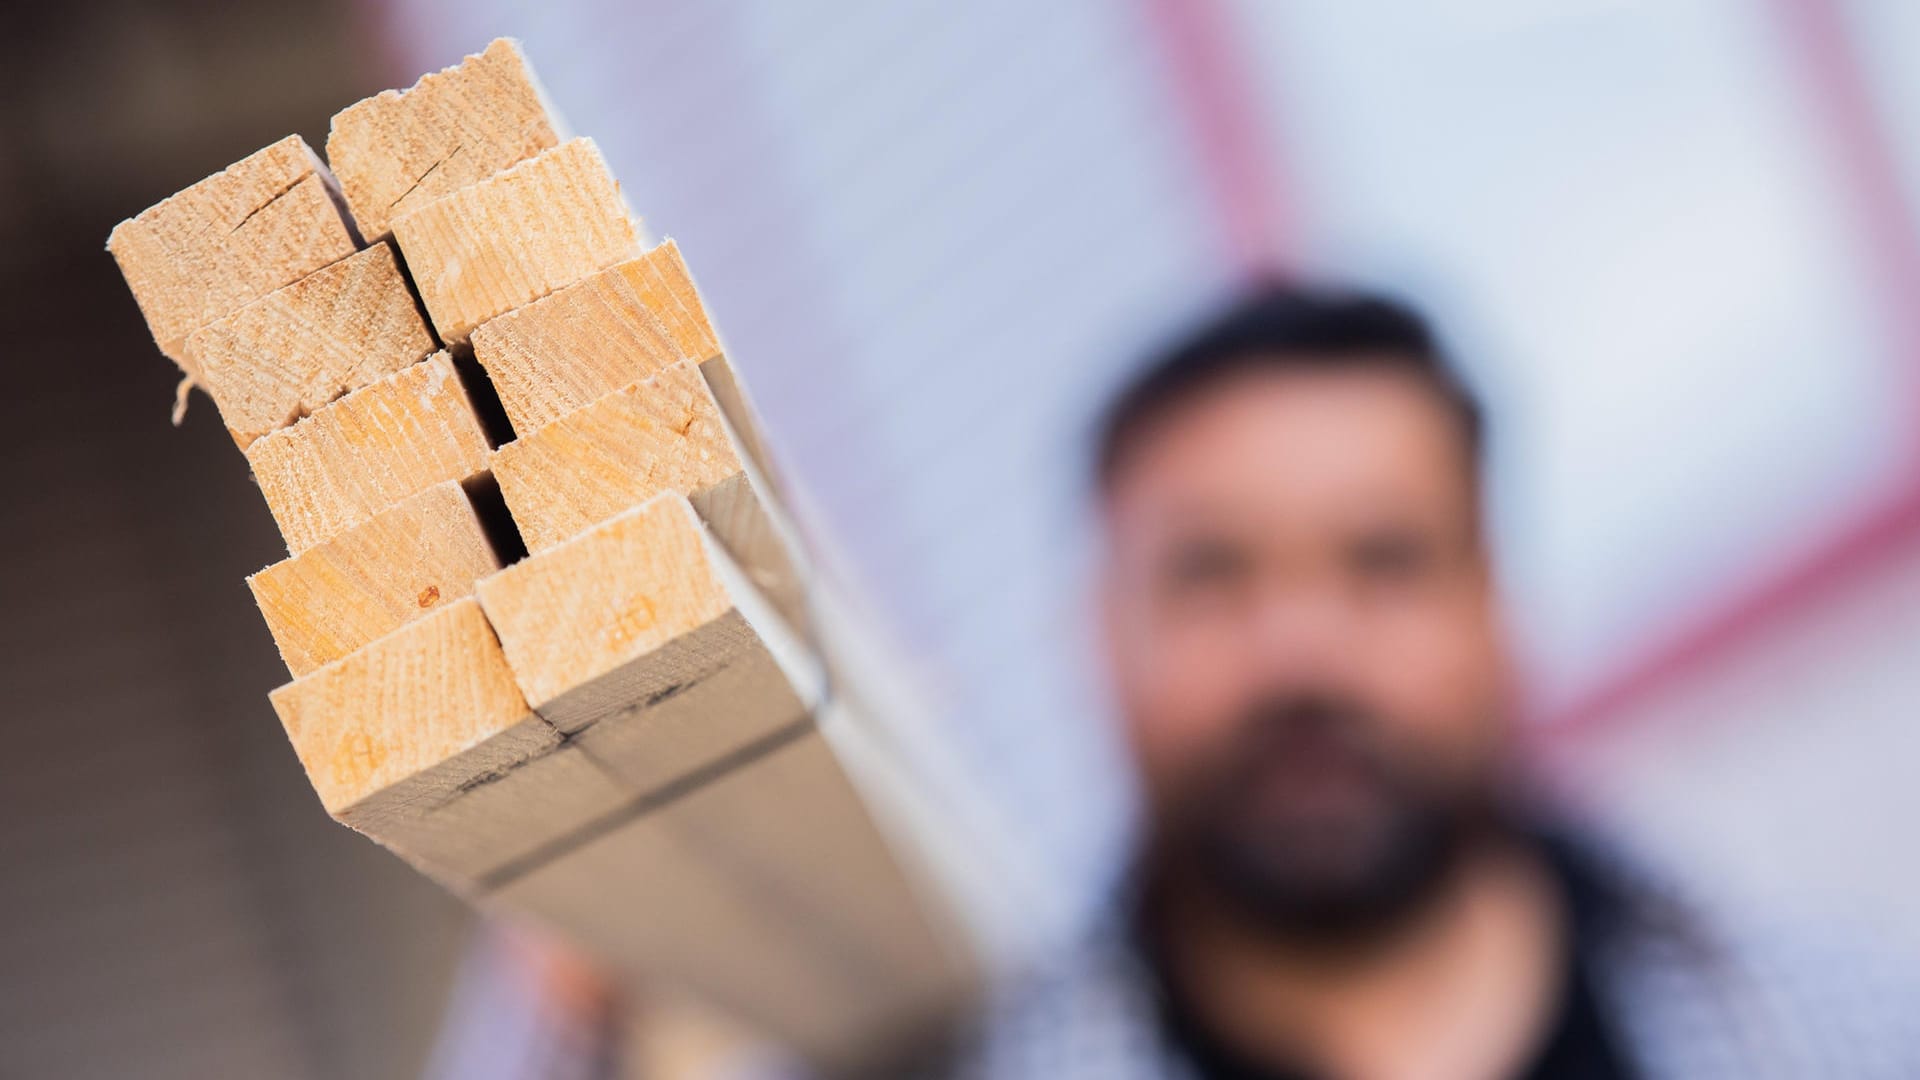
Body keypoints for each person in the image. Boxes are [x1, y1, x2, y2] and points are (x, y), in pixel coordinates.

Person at [924, 285, 1920, 1079]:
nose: (1301, 655)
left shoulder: (1861, 1039)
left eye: (1384, 560)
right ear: (1101, 638)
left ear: (1496, 608)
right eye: (1212, 574)